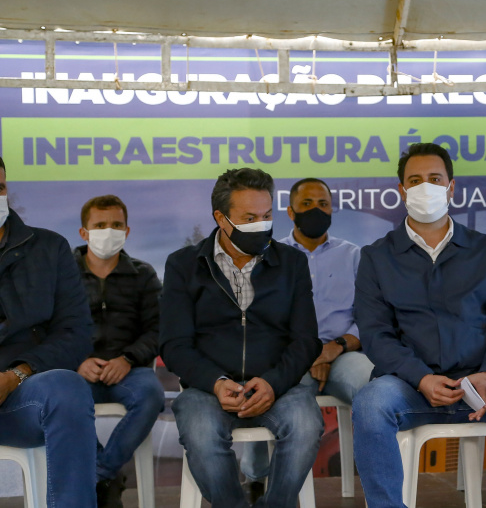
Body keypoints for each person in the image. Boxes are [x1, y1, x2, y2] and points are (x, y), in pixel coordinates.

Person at [353, 143, 486, 508]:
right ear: (402, 190)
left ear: (451, 187)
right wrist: (421, 378)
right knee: (369, 403)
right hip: (410, 388)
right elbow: (376, 335)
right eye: (415, 180)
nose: (425, 187)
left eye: (435, 179)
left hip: (484, 389)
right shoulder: (376, 257)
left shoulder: (485, 250)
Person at [159, 168, 324, 508]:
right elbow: (175, 345)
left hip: (280, 387)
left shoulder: (292, 262)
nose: (261, 225)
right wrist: (216, 382)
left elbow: (306, 340)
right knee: (200, 431)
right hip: (209, 390)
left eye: (266, 216)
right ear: (221, 218)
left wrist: (274, 383)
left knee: (306, 424)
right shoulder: (183, 265)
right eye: (250, 218)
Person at [240, 177, 372, 496]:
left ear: (332, 209)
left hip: (342, 352)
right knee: (269, 390)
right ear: (290, 212)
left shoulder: (354, 256)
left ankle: (381, 485)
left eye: (323, 204)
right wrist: (308, 354)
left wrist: (334, 348)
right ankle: (256, 478)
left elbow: (370, 317)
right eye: (307, 204)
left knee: (375, 390)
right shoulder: (269, 257)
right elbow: (260, 319)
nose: (316, 210)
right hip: (290, 354)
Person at [0, 156, 97, 506]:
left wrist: (15, 375)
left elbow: (76, 333)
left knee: (66, 389)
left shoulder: (49, 248)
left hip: (20, 396)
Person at [75, 194, 165, 508]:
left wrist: (127, 359)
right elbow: (48, 328)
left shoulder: (143, 274)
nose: (108, 231)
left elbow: (159, 329)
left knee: (151, 396)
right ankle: (107, 480)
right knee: (60, 402)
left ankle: (100, 475)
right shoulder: (61, 274)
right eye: (100, 225)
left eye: (116, 225)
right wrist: (77, 361)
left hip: (129, 370)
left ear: (127, 231)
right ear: (84, 232)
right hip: (76, 372)